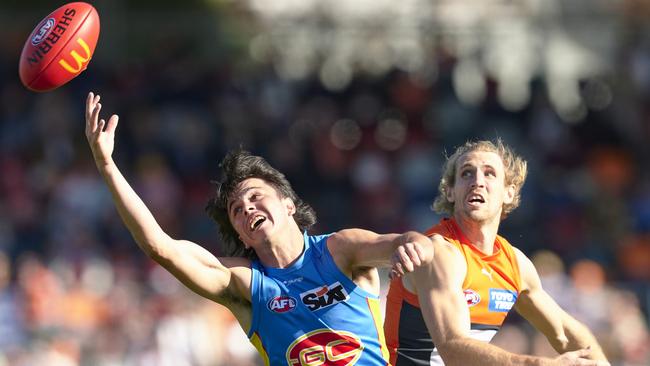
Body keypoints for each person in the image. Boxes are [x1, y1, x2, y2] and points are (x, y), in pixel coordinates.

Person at [84, 91, 431, 365]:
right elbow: (160, 247)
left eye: (255, 196)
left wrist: (411, 245)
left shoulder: (341, 249)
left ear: (288, 204)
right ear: (239, 232)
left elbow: (404, 240)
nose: (247, 207)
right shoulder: (246, 285)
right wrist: (107, 166)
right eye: (236, 210)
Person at [384, 140, 610, 365]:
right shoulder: (440, 252)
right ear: (451, 192)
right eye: (467, 174)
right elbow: (453, 350)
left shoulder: (516, 264)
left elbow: (564, 334)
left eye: (489, 173)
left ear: (509, 193)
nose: (477, 182)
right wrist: (540, 364)